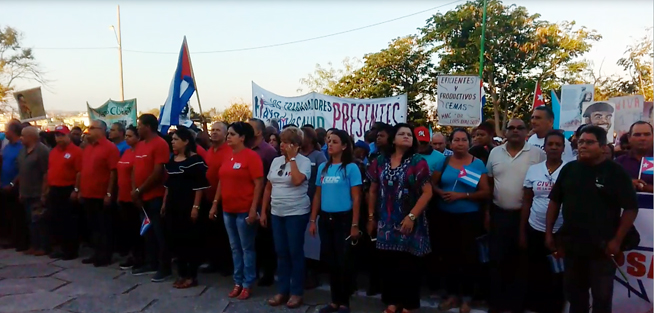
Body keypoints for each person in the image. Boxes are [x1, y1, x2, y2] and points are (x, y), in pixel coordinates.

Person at [546, 125, 638, 313]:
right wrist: (549, 234)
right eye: (580, 142)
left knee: (601, 299)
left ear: (603, 146)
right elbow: (554, 202)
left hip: (602, 249)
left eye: (589, 142)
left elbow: (630, 208)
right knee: (575, 297)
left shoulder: (616, 172)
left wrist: (617, 240)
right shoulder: (569, 169)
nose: (583, 146)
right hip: (572, 247)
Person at [366, 123, 433, 313]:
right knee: (388, 263)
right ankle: (392, 302)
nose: (406, 137)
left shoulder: (417, 162)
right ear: (393, 139)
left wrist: (412, 216)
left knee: (408, 265)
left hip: (409, 222)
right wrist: (371, 217)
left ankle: (409, 305)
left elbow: (427, 193)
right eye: (402, 134)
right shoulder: (380, 161)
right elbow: (372, 190)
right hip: (386, 222)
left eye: (409, 134)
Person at [486, 119, 546, 313]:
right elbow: (489, 183)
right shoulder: (495, 153)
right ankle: (496, 304)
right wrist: (487, 213)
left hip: (526, 217)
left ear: (527, 131)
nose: (515, 131)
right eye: (511, 128)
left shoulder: (538, 154)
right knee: (497, 260)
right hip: (499, 214)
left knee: (521, 262)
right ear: (505, 132)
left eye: (520, 128)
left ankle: (516, 305)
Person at [431, 128, 490, 313]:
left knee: (468, 259)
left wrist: (461, 195)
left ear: (469, 142)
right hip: (445, 216)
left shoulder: (477, 164)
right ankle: (452, 295)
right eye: (456, 140)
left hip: (469, 218)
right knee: (449, 257)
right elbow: (431, 183)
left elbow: (485, 192)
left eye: (463, 140)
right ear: (451, 143)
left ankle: (467, 298)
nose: (460, 143)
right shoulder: (444, 161)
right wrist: (441, 193)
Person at [308, 129, 361, 313]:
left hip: (344, 221)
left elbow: (356, 198)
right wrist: (313, 219)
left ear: (345, 146)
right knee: (330, 262)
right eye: (329, 141)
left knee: (343, 262)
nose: (330, 144)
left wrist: (355, 224)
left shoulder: (351, 168)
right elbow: (317, 195)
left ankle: (344, 302)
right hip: (326, 220)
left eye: (335, 141)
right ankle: (334, 301)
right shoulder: (324, 168)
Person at [209, 121, 264, 300]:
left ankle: (248, 283)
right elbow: (221, 182)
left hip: (244, 210)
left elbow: (258, 184)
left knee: (247, 248)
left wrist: (253, 209)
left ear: (242, 137)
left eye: (232, 134)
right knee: (235, 248)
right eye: (229, 134)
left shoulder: (251, 157)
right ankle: (237, 282)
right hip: (228, 210)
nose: (228, 137)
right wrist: (215, 203)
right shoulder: (227, 156)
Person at [261, 127, 312, 308]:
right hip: (277, 213)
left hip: (296, 213)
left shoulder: (304, 162)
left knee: (294, 252)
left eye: (286, 142)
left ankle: (296, 292)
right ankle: (282, 290)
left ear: (296, 145)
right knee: (281, 252)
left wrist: (292, 160)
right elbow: (268, 187)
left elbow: (298, 180)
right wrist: (264, 210)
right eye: (281, 142)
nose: (282, 145)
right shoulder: (275, 161)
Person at [519, 130, 567, 313]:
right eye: (550, 144)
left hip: (560, 230)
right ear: (544, 147)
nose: (554, 147)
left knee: (558, 273)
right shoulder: (534, 170)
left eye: (558, 144)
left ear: (563, 148)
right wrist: (522, 231)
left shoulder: (569, 170)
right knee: (536, 270)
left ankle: (554, 307)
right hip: (534, 227)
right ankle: (534, 306)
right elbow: (527, 200)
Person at [163, 127, 210, 288]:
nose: (173, 142)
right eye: (172, 140)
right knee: (175, 239)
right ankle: (181, 273)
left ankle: (191, 275)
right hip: (173, 204)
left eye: (176, 139)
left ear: (186, 141)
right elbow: (168, 185)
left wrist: (196, 206)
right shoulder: (172, 161)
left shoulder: (195, 161)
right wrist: (164, 203)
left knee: (190, 240)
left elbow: (200, 186)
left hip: (188, 204)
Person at [131, 114, 172, 282]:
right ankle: (151, 262)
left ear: (148, 127)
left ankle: (164, 267)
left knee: (159, 233)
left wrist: (140, 190)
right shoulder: (140, 145)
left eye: (139, 125)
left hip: (155, 196)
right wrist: (135, 190)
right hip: (141, 196)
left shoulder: (160, 144)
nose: (137, 128)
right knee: (147, 232)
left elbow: (158, 172)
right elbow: (134, 170)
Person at [78, 120, 119, 267]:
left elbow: (113, 172)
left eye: (91, 128)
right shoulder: (88, 148)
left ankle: (105, 255)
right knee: (93, 226)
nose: (89, 131)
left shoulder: (110, 148)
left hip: (101, 195)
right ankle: (96, 253)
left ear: (101, 130)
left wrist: (109, 193)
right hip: (88, 193)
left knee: (104, 226)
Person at [248, 118, 278, 287]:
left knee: (265, 239)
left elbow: (270, 180)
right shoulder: (245, 149)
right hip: (247, 199)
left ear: (259, 132)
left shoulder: (268, 152)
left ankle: (268, 273)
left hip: (263, 201)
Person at [47, 125, 82, 260]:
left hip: (68, 189)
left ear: (68, 136)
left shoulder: (76, 151)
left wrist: (76, 189)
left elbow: (80, 172)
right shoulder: (53, 152)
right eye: (57, 136)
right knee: (57, 220)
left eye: (62, 135)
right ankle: (62, 248)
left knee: (69, 221)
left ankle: (71, 250)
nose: (59, 138)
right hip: (55, 188)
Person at [202, 122, 233, 275]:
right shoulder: (209, 150)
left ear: (225, 134)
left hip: (222, 199)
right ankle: (214, 262)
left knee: (223, 233)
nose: (214, 133)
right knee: (211, 232)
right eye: (212, 130)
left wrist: (216, 200)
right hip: (208, 196)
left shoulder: (228, 151)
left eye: (217, 130)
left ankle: (226, 264)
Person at [299, 126, 328, 289]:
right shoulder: (296, 155)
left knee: (312, 243)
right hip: (297, 203)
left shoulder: (319, 157)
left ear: (309, 139)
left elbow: (322, 180)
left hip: (312, 203)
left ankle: (313, 274)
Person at [16, 126, 50, 256]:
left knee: (39, 221)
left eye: (23, 135)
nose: (21, 138)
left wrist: (44, 193)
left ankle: (43, 246)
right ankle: (34, 245)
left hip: (37, 192)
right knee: (30, 221)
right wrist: (20, 191)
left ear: (31, 137)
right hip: (26, 192)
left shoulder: (42, 151)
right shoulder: (22, 151)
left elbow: (46, 173)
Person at [116, 126, 144, 270]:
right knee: (128, 228)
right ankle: (132, 254)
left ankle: (139, 257)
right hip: (123, 195)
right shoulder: (126, 151)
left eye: (130, 136)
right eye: (126, 136)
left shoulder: (140, 153)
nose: (127, 138)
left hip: (134, 196)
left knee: (136, 228)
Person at [1, 122, 25, 251]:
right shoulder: (7, 147)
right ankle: (9, 238)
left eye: (6, 130)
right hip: (3, 185)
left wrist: (12, 183)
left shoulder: (21, 148)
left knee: (17, 214)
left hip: (15, 186)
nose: (5, 132)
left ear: (13, 132)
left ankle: (19, 240)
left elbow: (22, 169)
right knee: (7, 214)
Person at [615, 121, 653, 193]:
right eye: (637, 135)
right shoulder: (618, 163)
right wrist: (627, 184)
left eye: (647, 134)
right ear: (629, 138)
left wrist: (650, 189)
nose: (642, 138)